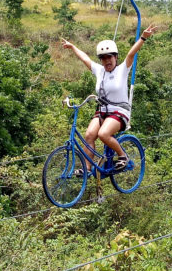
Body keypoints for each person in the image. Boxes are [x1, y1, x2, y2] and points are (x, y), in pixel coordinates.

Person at [61, 24, 158, 171]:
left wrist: (143, 37)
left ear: (116, 57)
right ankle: (86, 169)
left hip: (120, 111)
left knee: (103, 134)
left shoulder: (122, 70)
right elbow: (85, 58)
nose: (107, 61)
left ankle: (123, 156)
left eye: (109, 57)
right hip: (103, 111)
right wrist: (73, 47)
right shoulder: (99, 71)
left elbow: (131, 54)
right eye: (103, 58)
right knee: (89, 135)